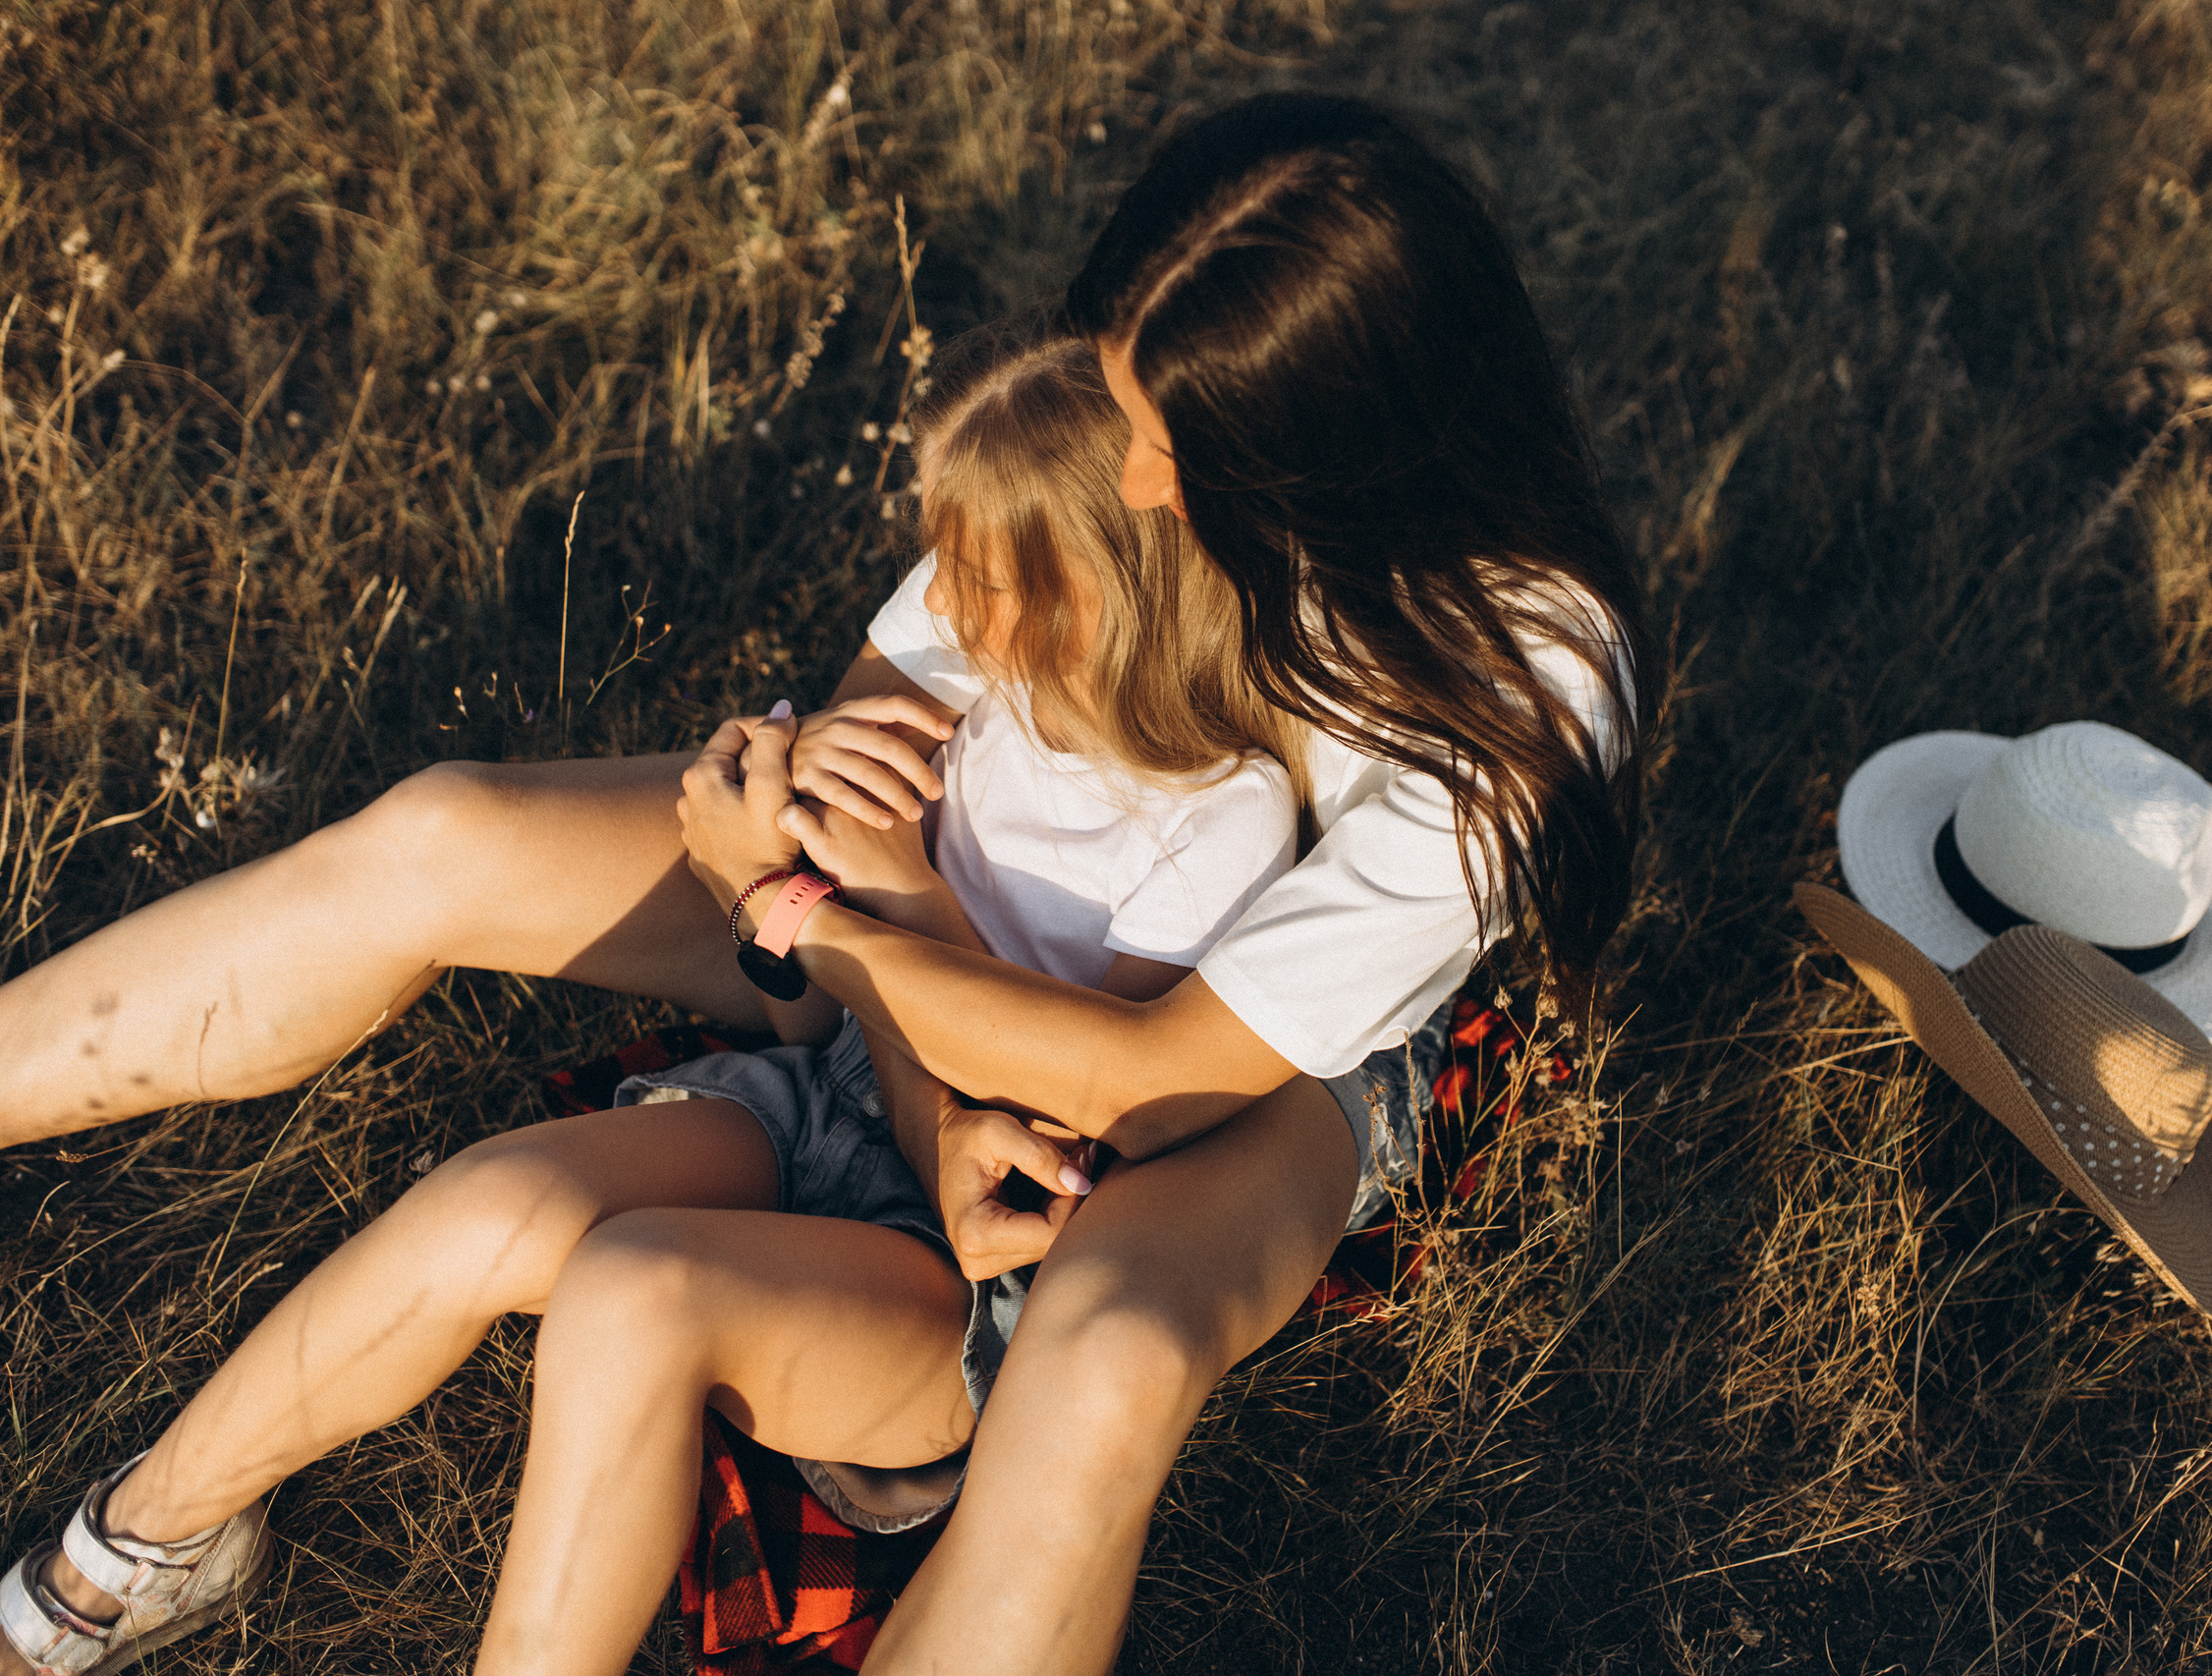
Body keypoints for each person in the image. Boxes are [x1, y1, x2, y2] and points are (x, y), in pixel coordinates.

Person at [0, 93, 1650, 1674]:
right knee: (446, 833)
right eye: (1123, 410)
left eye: (1165, 445)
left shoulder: (1517, 685)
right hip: (946, 884)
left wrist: (807, 923)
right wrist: (798, 868)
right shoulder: (1147, 419)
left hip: (1229, 1055)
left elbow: (1146, 1077)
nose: (1138, 478)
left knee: (1105, 1357)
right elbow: (887, 714)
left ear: (1327, 451)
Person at [0, 318, 1304, 1676]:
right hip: (832, 1092)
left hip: (965, 1270)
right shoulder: (979, 706)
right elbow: (806, 987)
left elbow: (1056, 1130)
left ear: (1090, 589)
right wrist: (765, 834)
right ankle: (150, 1539)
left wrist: (898, 891)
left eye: (966, 569)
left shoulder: (1222, 819)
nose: (937, 602)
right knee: (487, 1203)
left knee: (627, 1287)